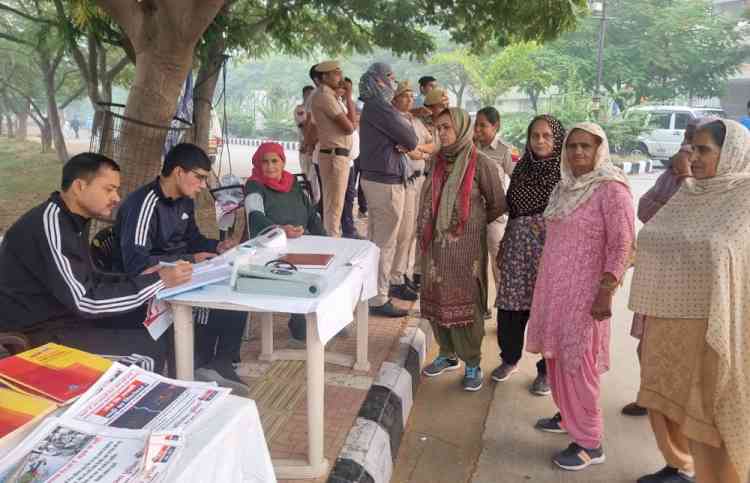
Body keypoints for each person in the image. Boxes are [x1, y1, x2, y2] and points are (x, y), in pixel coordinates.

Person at [630, 119, 749, 483]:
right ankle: (680, 466)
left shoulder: (745, 197)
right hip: (670, 318)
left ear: (730, 154)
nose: (693, 157)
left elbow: (732, 256)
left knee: (712, 411)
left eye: (704, 150)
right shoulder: (690, 192)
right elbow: (650, 235)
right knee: (671, 402)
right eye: (691, 149)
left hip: (718, 323)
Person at [0, 153, 191, 372]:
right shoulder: (51, 224)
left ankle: (181, 384)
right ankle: (148, 402)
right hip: (37, 334)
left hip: (67, 318)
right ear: (80, 186)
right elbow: (85, 301)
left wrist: (147, 277)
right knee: (147, 350)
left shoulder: (72, 220)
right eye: (108, 189)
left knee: (157, 324)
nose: (117, 198)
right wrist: (158, 281)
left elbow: (90, 277)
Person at [527, 123, 634, 471]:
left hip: (585, 295)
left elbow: (622, 244)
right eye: (571, 146)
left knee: (579, 361)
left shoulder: (610, 189)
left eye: (586, 146)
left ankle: (590, 441)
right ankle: (567, 417)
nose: (577, 153)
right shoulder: (564, 186)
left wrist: (606, 292)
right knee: (557, 356)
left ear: (599, 149)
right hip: (555, 290)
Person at [113, 143, 248, 395]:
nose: (202, 186)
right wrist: (190, 259)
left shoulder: (185, 201)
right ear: (178, 172)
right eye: (198, 178)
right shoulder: (144, 204)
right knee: (212, 300)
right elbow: (135, 265)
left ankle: (220, 362)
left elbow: (193, 238)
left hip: (181, 271)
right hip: (148, 284)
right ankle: (195, 369)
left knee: (236, 285)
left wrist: (218, 246)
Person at [419, 107, 505, 392]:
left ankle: (472, 363)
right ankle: (447, 354)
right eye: (438, 127)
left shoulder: (482, 164)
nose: (441, 133)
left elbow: (497, 204)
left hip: (467, 253)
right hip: (435, 250)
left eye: (447, 127)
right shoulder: (435, 161)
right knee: (437, 300)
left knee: (467, 306)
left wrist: (470, 227)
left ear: (462, 129)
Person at [621, 118, 703, 418]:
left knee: (680, 348)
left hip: (689, 280)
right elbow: (644, 207)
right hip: (657, 271)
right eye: (688, 136)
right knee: (648, 343)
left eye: (698, 142)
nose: (689, 145)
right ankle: (650, 397)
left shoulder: (714, 183)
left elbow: (696, 221)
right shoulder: (669, 173)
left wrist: (685, 176)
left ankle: (675, 406)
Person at [492, 115, 565, 396]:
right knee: (511, 309)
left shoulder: (566, 174)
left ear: (558, 139)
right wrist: (505, 245)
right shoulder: (523, 167)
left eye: (547, 135)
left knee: (546, 312)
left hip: (549, 253)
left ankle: (546, 371)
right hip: (517, 249)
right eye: (535, 135)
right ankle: (509, 358)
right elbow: (512, 207)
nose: (540, 141)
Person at [245, 142, 325, 346]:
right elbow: (254, 217)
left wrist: (326, 240)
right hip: (270, 246)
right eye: (265, 162)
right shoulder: (254, 186)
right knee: (298, 269)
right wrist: (281, 229)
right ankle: (299, 324)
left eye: (275, 161)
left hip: (301, 240)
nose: (270, 166)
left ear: (283, 162)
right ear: (257, 164)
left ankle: (324, 317)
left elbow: (311, 214)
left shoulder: (293, 182)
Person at [358, 62, 418, 317]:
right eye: (389, 78)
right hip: (385, 183)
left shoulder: (374, 106)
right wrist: (402, 140)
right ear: (378, 81)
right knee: (385, 243)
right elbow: (412, 139)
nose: (393, 83)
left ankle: (371, 292)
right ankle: (379, 298)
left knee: (377, 242)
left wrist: (402, 139)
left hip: (380, 180)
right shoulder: (380, 106)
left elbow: (407, 139)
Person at [390, 80, 435, 297]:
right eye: (404, 96)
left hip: (419, 179)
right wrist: (418, 152)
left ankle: (402, 273)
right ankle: (395, 278)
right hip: (405, 180)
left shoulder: (414, 121)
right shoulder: (394, 121)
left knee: (411, 232)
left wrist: (419, 151)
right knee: (402, 231)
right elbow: (411, 152)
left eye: (411, 95)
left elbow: (432, 144)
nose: (410, 99)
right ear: (394, 99)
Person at [474, 107, 517, 299]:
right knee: (474, 265)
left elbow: (518, 182)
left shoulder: (506, 151)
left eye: (483, 125)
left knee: (499, 264)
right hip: (472, 216)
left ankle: (503, 309)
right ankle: (478, 307)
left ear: (496, 126)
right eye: (476, 125)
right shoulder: (470, 148)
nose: (478, 130)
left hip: (495, 217)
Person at [310, 60, 356, 238]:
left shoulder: (330, 96)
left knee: (334, 205)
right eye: (336, 73)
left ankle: (330, 240)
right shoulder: (324, 97)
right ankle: (331, 243)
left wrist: (344, 97)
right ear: (324, 77)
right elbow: (350, 127)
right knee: (334, 207)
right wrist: (349, 97)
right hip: (334, 156)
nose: (341, 77)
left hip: (337, 156)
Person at [336, 78, 363, 239]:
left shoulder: (345, 103)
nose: (345, 90)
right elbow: (352, 124)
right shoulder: (333, 103)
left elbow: (355, 120)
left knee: (348, 196)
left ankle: (348, 228)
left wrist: (348, 97)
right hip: (339, 159)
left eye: (348, 88)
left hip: (349, 160)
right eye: (342, 87)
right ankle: (346, 229)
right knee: (340, 197)